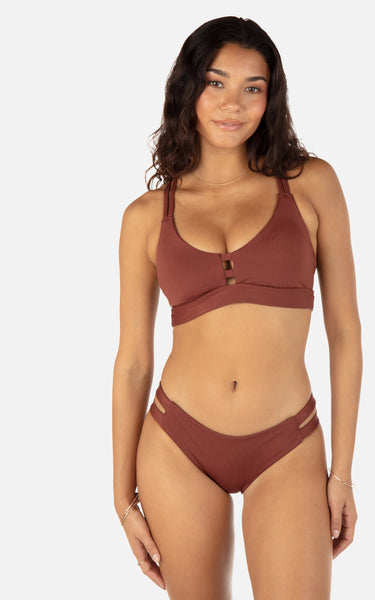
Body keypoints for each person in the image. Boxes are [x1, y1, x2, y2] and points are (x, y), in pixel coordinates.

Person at [112, 15, 362, 599]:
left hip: (287, 442)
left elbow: (346, 333)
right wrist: (122, 499)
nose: (233, 104)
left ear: (271, 99)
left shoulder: (310, 184)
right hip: (177, 444)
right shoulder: (146, 216)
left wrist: (343, 473)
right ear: (189, 89)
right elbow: (132, 363)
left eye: (253, 87)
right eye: (216, 82)